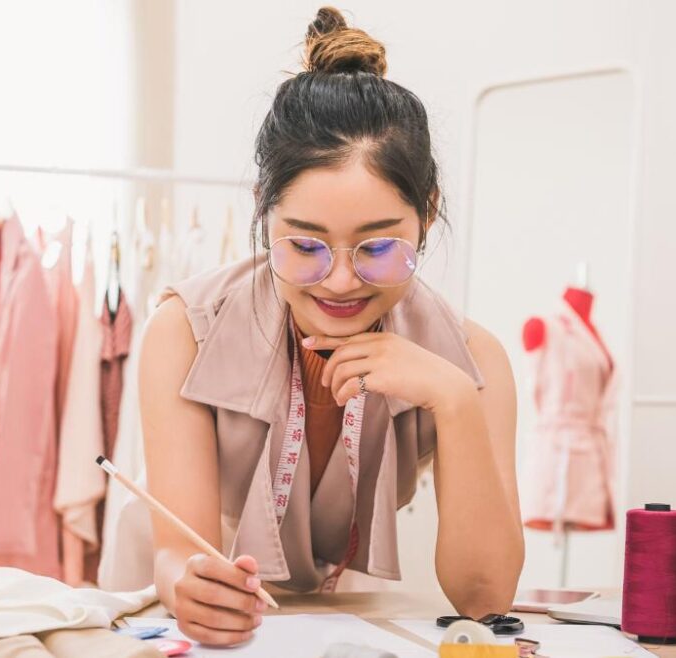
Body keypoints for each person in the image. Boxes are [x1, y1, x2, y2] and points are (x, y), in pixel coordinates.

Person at [137, 7, 524, 647]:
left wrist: (455, 400)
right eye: (306, 247)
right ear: (264, 207)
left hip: (338, 622)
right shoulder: (185, 332)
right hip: (184, 620)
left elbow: (485, 598)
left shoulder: (474, 358)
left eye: (377, 249)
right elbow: (177, 553)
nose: (340, 282)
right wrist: (189, 583)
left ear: (426, 213)